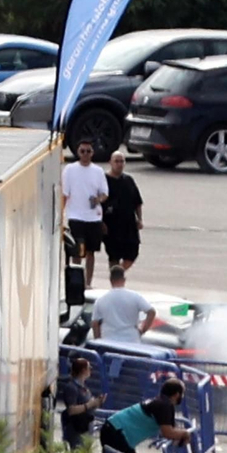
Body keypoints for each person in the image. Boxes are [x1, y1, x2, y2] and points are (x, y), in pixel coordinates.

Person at [100, 377, 190, 453]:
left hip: (113, 429)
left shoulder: (161, 402)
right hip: (116, 432)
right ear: (177, 394)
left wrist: (179, 435)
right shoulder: (164, 405)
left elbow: (170, 428)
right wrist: (185, 434)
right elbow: (167, 432)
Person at [62, 139, 109, 286]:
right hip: (76, 217)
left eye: (88, 151)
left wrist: (98, 200)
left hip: (93, 218)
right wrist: (61, 215)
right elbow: (64, 194)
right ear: (78, 152)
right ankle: (76, 282)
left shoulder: (98, 171)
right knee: (77, 252)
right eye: (82, 151)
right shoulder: (70, 170)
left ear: (92, 153)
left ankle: (88, 282)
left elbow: (105, 193)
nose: (85, 154)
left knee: (91, 252)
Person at [101, 151, 144, 274]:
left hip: (129, 224)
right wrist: (100, 222)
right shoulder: (104, 180)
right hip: (111, 225)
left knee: (132, 254)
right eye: (116, 161)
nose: (119, 164)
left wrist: (140, 219)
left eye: (122, 161)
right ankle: (115, 280)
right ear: (110, 162)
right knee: (114, 255)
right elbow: (98, 204)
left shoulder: (128, 180)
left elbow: (138, 202)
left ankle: (118, 273)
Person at [91, 266, 155, 347]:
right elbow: (151, 312)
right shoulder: (135, 297)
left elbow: (95, 323)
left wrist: (98, 341)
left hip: (108, 342)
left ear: (110, 280)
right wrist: (143, 330)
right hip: (131, 342)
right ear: (124, 279)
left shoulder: (101, 300)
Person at [58, 357, 105, 450]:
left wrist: (97, 403)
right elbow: (71, 410)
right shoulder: (72, 388)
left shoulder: (84, 388)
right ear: (83, 370)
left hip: (86, 427)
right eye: (89, 368)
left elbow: (89, 406)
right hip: (76, 428)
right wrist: (89, 405)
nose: (90, 371)